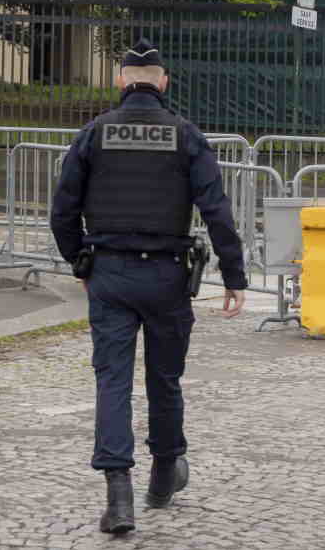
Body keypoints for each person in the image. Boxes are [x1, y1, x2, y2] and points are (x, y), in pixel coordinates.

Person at [49, 38, 247, 535]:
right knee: (165, 378)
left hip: (110, 273)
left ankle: (119, 498)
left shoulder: (94, 133)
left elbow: (62, 209)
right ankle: (163, 475)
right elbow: (216, 209)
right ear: (163, 81)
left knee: (112, 379)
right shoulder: (185, 134)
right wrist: (234, 274)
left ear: (120, 80)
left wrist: (79, 262)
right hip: (167, 275)